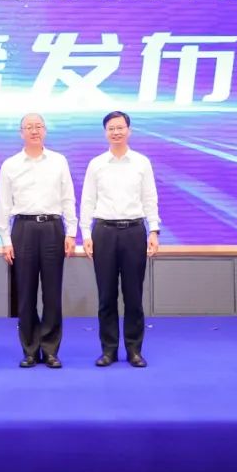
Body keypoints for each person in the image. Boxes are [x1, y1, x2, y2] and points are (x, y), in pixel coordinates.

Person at [80, 110, 160, 368]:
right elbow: (88, 200)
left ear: (129, 130)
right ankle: (109, 350)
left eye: (120, 127)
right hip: (103, 232)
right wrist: (86, 233)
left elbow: (150, 198)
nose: (116, 132)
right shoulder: (96, 164)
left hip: (134, 232)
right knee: (106, 295)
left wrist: (154, 230)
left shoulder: (141, 163)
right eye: (111, 128)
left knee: (133, 295)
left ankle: (134, 350)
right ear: (106, 133)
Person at [0, 113, 77, 368]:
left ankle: (51, 349)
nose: (34, 131)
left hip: (53, 228)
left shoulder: (58, 161)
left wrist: (71, 232)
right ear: (21, 132)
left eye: (38, 126)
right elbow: (3, 204)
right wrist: (5, 239)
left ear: (45, 130)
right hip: (23, 229)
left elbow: (68, 197)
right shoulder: (10, 164)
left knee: (52, 292)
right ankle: (30, 349)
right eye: (29, 127)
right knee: (26, 293)